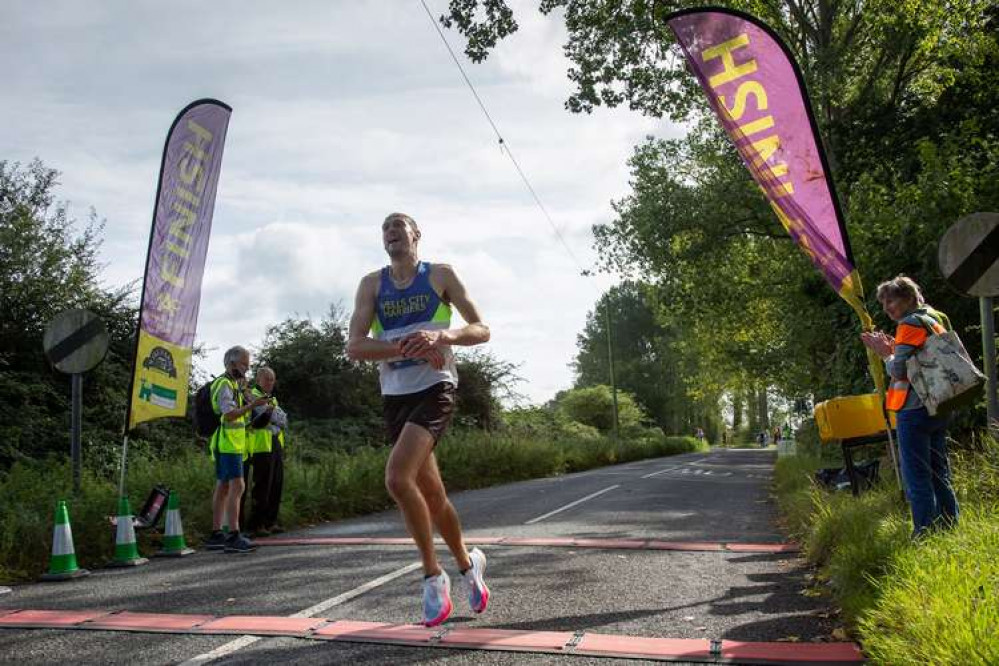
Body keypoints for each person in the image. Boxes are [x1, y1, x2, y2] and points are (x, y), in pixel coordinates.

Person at [346, 212, 491, 627]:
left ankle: (433, 576)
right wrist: (404, 348)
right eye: (385, 229)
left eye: (398, 226)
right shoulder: (371, 284)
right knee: (431, 493)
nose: (391, 232)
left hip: (436, 388)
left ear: (415, 236)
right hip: (395, 396)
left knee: (396, 478)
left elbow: (482, 329)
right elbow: (355, 347)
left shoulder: (441, 275)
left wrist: (441, 337)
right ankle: (469, 566)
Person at [861, 275, 959, 537]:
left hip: (914, 409)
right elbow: (921, 357)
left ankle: (924, 533)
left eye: (890, 301)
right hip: (941, 404)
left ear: (907, 298)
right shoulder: (934, 317)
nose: (886, 308)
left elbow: (900, 370)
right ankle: (950, 526)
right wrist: (895, 349)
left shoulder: (908, 325)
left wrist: (884, 353)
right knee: (940, 471)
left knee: (917, 476)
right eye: (883, 303)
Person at [203, 346, 270, 554]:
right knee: (237, 487)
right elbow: (230, 414)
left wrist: (251, 397)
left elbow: (244, 405)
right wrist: (252, 406)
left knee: (223, 487)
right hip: (228, 444)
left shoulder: (234, 384)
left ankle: (216, 534)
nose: (247, 370)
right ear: (232, 363)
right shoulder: (224, 384)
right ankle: (233, 535)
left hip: (231, 443)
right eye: (244, 365)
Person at [241, 367, 288, 536]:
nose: (270, 383)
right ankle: (256, 524)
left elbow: (283, 420)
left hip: (275, 445)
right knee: (262, 487)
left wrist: (275, 418)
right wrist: (275, 419)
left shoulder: (271, 398)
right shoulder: (253, 395)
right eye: (267, 379)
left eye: (273, 379)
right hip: (260, 446)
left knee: (276, 484)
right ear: (259, 379)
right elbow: (273, 419)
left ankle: (270, 522)